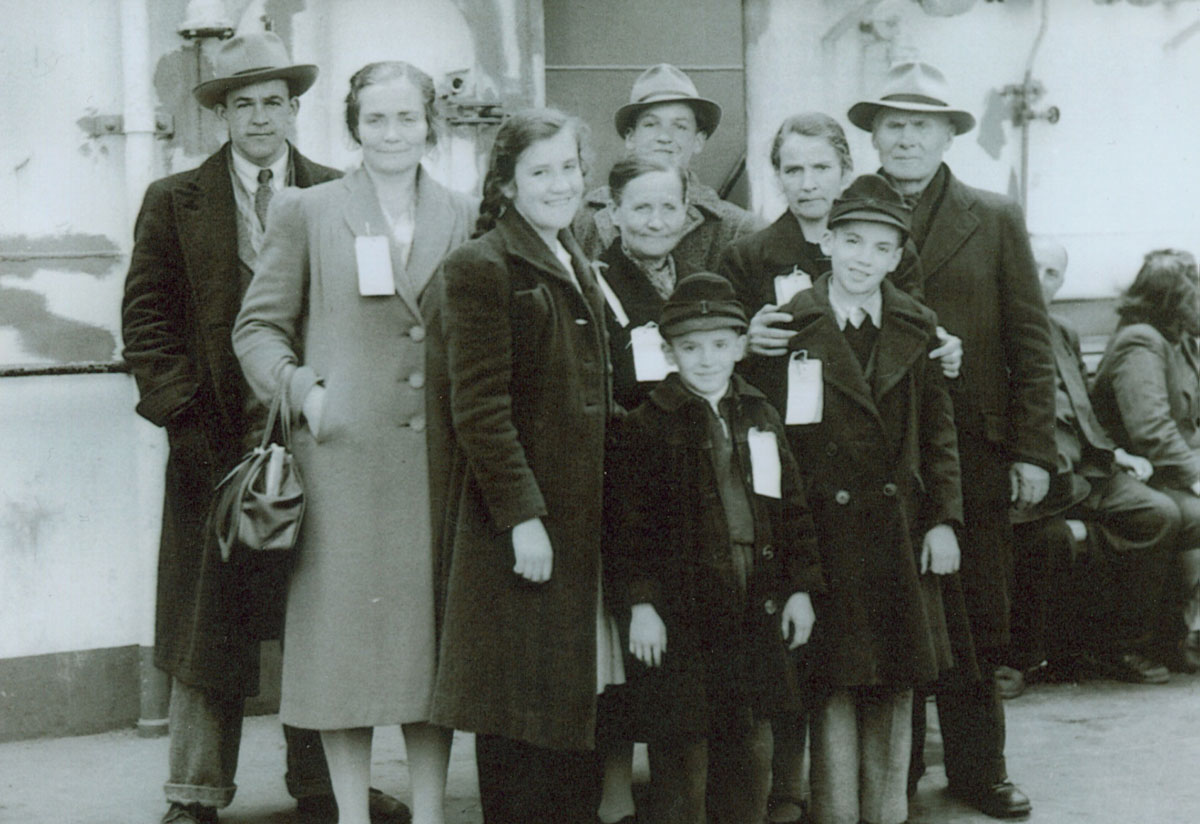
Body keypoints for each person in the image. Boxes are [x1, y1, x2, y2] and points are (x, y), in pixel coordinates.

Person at [120, 32, 406, 824]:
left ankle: (323, 786)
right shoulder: (174, 201)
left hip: (315, 440)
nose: (258, 118)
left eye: (272, 102)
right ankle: (195, 792)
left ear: (293, 109)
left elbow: (365, 317)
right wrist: (185, 420)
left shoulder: (338, 194)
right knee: (208, 625)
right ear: (220, 115)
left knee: (321, 614)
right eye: (241, 103)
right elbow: (145, 324)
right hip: (212, 446)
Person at [233, 61, 476, 824]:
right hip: (341, 464)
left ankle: (431, 812)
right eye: (377, 119)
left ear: (429, 124)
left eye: (407, 118)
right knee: (343, 655)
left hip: (437, 466)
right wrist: (307, 394)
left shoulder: (460, 211)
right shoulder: (310, 209)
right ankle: (349, 813)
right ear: (354, 126)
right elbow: (257, 327)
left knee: (425, 655)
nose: (393, 133)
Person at [847, 61, 1056, 818]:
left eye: (920, 126)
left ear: (946, 136)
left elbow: (1031, 341)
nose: (905, 138)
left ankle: (980, 769)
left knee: (973, 616)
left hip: (973, 451)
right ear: (872, 134)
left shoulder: (993, 216)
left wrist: (1034, 449)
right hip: (876, 454)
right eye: (892, 124)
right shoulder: (846, 217)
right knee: (891, 611)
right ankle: (889, 775)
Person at [425, 108, 611, 824]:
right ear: (506, 183)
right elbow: (479, 410)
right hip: (523, 530)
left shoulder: (574, 255)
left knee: (565, 712)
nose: (559, 183)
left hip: (578, 522)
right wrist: (523, 519)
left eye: (569, 167)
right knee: (519, 720)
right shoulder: (481, 266)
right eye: (541, 172)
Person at [761, 175, 965, 824]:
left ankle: (885, 812)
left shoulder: (918, 324)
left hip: (899, 532)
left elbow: (939, 435)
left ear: (899, 256)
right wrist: (788, 551)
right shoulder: (791, 324)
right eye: (851, 241)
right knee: (833, 683)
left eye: (880, 248)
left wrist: (945, 522)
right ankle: (835, 812)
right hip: (823, 533)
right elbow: (773, 445)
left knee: (896, 681)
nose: (863, 259)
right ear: (828, 241)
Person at [605, 271, 822, 824]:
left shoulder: (760, 414)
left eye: (721, 345)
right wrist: (642, 605)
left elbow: (791, 510)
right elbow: (626, 529)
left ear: (740, 347)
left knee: (748, 751)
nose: (707, 359)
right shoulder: (646, 426)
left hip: (753, 604)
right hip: (682, 616)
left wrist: (799, 589)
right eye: (691, 347)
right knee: (682, 756)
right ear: (670, 352)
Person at [1017, 236, 1177, 684]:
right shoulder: (995, 328)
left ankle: (1122, 647)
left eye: (1053, 273)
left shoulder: (1062, 329)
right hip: (1042, 472)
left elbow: (1083, 405)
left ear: (1062, 282)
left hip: (1089, 467)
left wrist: (1117, 452)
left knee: (1157, 515)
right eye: (1033, 267)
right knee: (1048, 539)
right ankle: (1022, 658)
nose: (1041, 279)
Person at [1091, 248, 1200, 674]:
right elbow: (1151, 430)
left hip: (1165, 470)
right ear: (1174, 301)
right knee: (1185, 515)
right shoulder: (1142, 340)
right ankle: (1136, 641)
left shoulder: (1180, 341)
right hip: (1134, 470)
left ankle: (1175, 635)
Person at [573, 63, 760, 274]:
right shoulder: (582, 218)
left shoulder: (735, 228)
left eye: (679, 126)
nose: (664, 137)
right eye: (651, 125)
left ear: (698, 140)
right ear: (630, 137)